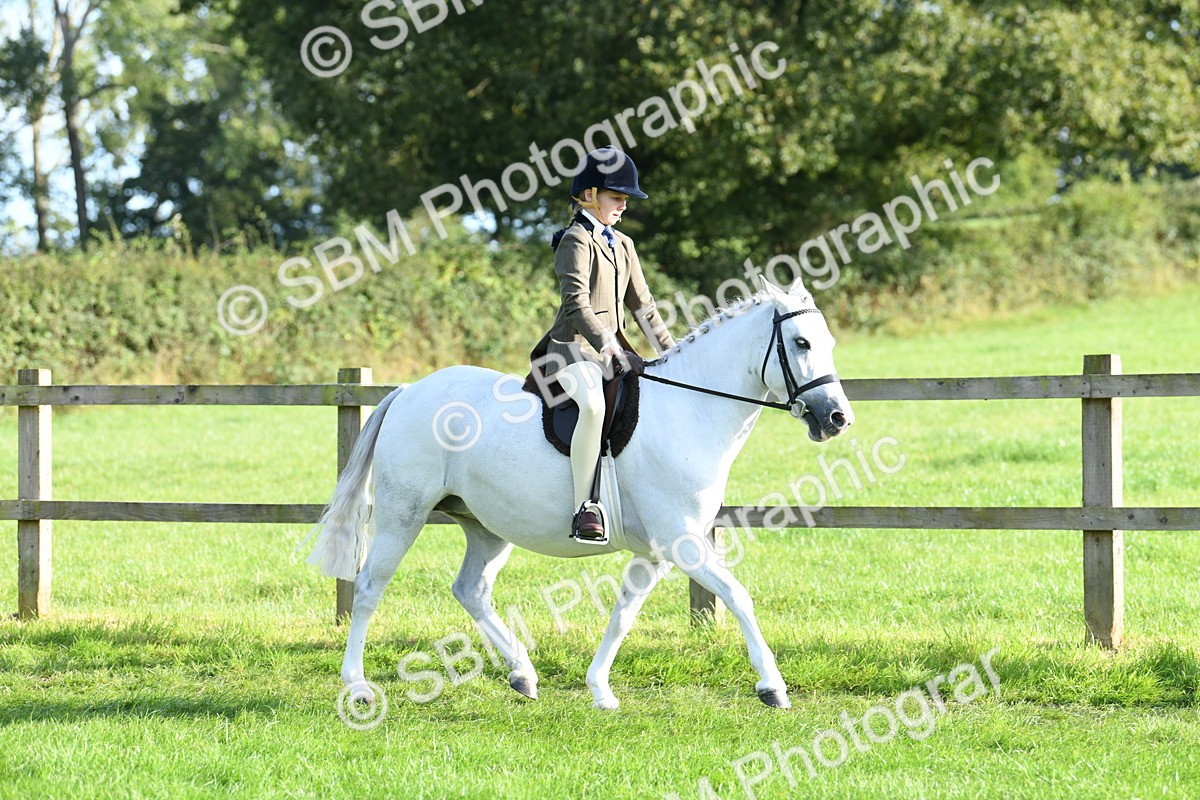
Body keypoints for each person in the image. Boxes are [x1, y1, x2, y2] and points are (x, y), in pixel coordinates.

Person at [529, 147, 675, 541]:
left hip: (614, 352)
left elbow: (643, 306)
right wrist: (607, 342)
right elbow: (576, 304)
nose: (624, 206)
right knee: (593, 404)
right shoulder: (575, 241)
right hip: (571, 350)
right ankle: (585, 508)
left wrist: (672, 350)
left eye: (627, 200)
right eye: (617, 198)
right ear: (589, 194)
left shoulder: (623, 244)